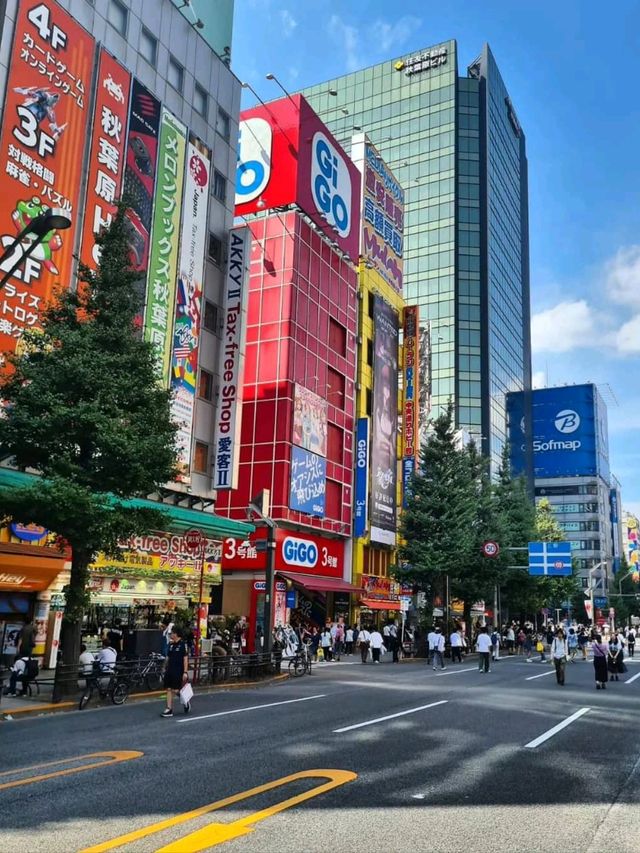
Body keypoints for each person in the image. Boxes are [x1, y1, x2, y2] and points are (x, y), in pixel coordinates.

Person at [162, 626, 190, 717]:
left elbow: (185, 659)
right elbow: (168, 657)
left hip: (178, 670)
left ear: (176, 634)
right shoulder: (170, 645)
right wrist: (164, 667)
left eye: (172, 633)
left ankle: (185, 700)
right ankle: (169, 709)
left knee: (175, 690)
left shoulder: (182, 645)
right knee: (168, 688)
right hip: (170, 669)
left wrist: (185, 672)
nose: (170, 634)